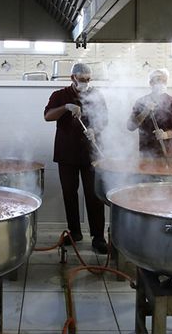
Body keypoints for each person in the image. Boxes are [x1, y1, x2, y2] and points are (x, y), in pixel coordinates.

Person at [44, 63, 109, 254]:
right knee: (69, 193)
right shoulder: (59, 95)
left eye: (88, 80)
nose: (86, 83)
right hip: (67, 153)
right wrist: (65, 107)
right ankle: (74, 232)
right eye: (82, 80)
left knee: (94, 194)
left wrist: (94, 131)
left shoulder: (96, 95)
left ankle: (98, 237)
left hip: (91, 153)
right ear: (72, 78)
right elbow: (47, 116)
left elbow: (104, 119)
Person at [126, 68, 172, 158]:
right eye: (158, 80)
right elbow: (130, 126)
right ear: (151, 83)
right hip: (146, 151)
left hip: (168, 152)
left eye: (164, 81)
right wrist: (145, 111)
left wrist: (166, 134)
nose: (161, 84)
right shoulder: (141, 102)